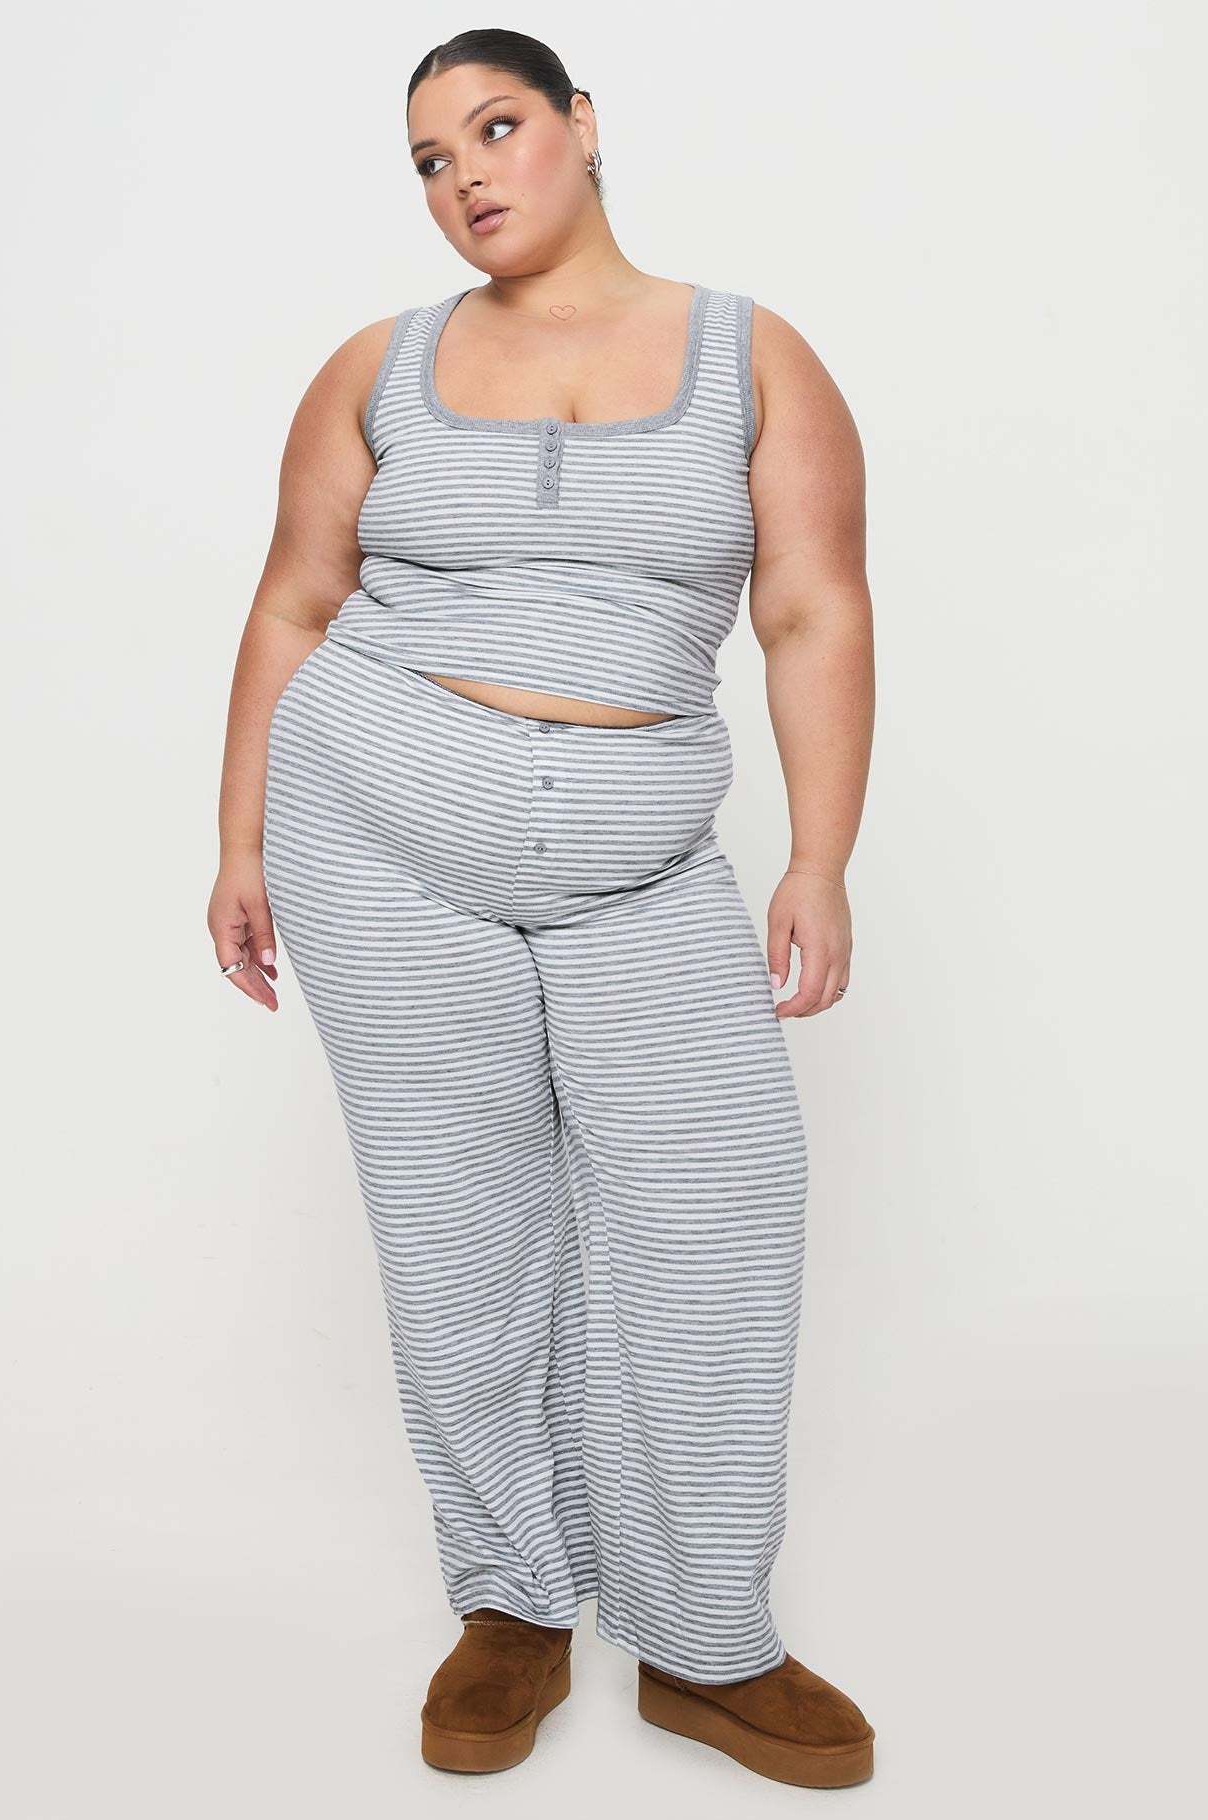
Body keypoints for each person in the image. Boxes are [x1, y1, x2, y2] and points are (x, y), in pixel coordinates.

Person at [207, 27, 876, 1790]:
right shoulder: (380, 366)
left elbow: (812, 606)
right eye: (431, 162)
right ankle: (511, 1602)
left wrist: (818, 856)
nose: (467, 180)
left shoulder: (752, 356)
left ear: (582, 124)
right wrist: (241, 839)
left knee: (720, 1211)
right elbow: (293, 603)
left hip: (640, 858)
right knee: (460, 1223)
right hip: (375, 822)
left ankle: (706, 1638)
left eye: (496, 130)